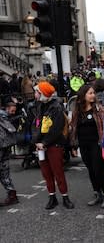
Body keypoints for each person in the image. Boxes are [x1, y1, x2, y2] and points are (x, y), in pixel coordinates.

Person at [34, 81, 75, 210]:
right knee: (46, 173)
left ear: (43, 94)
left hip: (54, 144)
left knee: (58, 172)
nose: (35, 94)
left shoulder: (56, 107)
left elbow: (56, 130)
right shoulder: (40, 105)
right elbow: (37, 125)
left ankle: (65, 197)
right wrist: (37, 142)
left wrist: (44, 143)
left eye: (37, 92)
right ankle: (52, 197)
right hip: (42, 145)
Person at [70, 85, 104, 208]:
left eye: (93, 93)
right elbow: (73, 128)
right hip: (83, 144)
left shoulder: (98, 109)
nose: (93, 95)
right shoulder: (77, 110)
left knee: (98, 169)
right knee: (91, 170)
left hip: (96, 144)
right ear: (83, 95)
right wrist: (73, 145)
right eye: (90, 93)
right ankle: (96, 193)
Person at [0, 101, 19, 207]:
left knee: (4, 172)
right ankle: (12, 195)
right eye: (12, 110)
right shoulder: (4, 117)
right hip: (6, 146)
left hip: (2, 146)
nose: (13, 113)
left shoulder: (3, 116)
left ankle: (12, 195)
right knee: (4, 172)